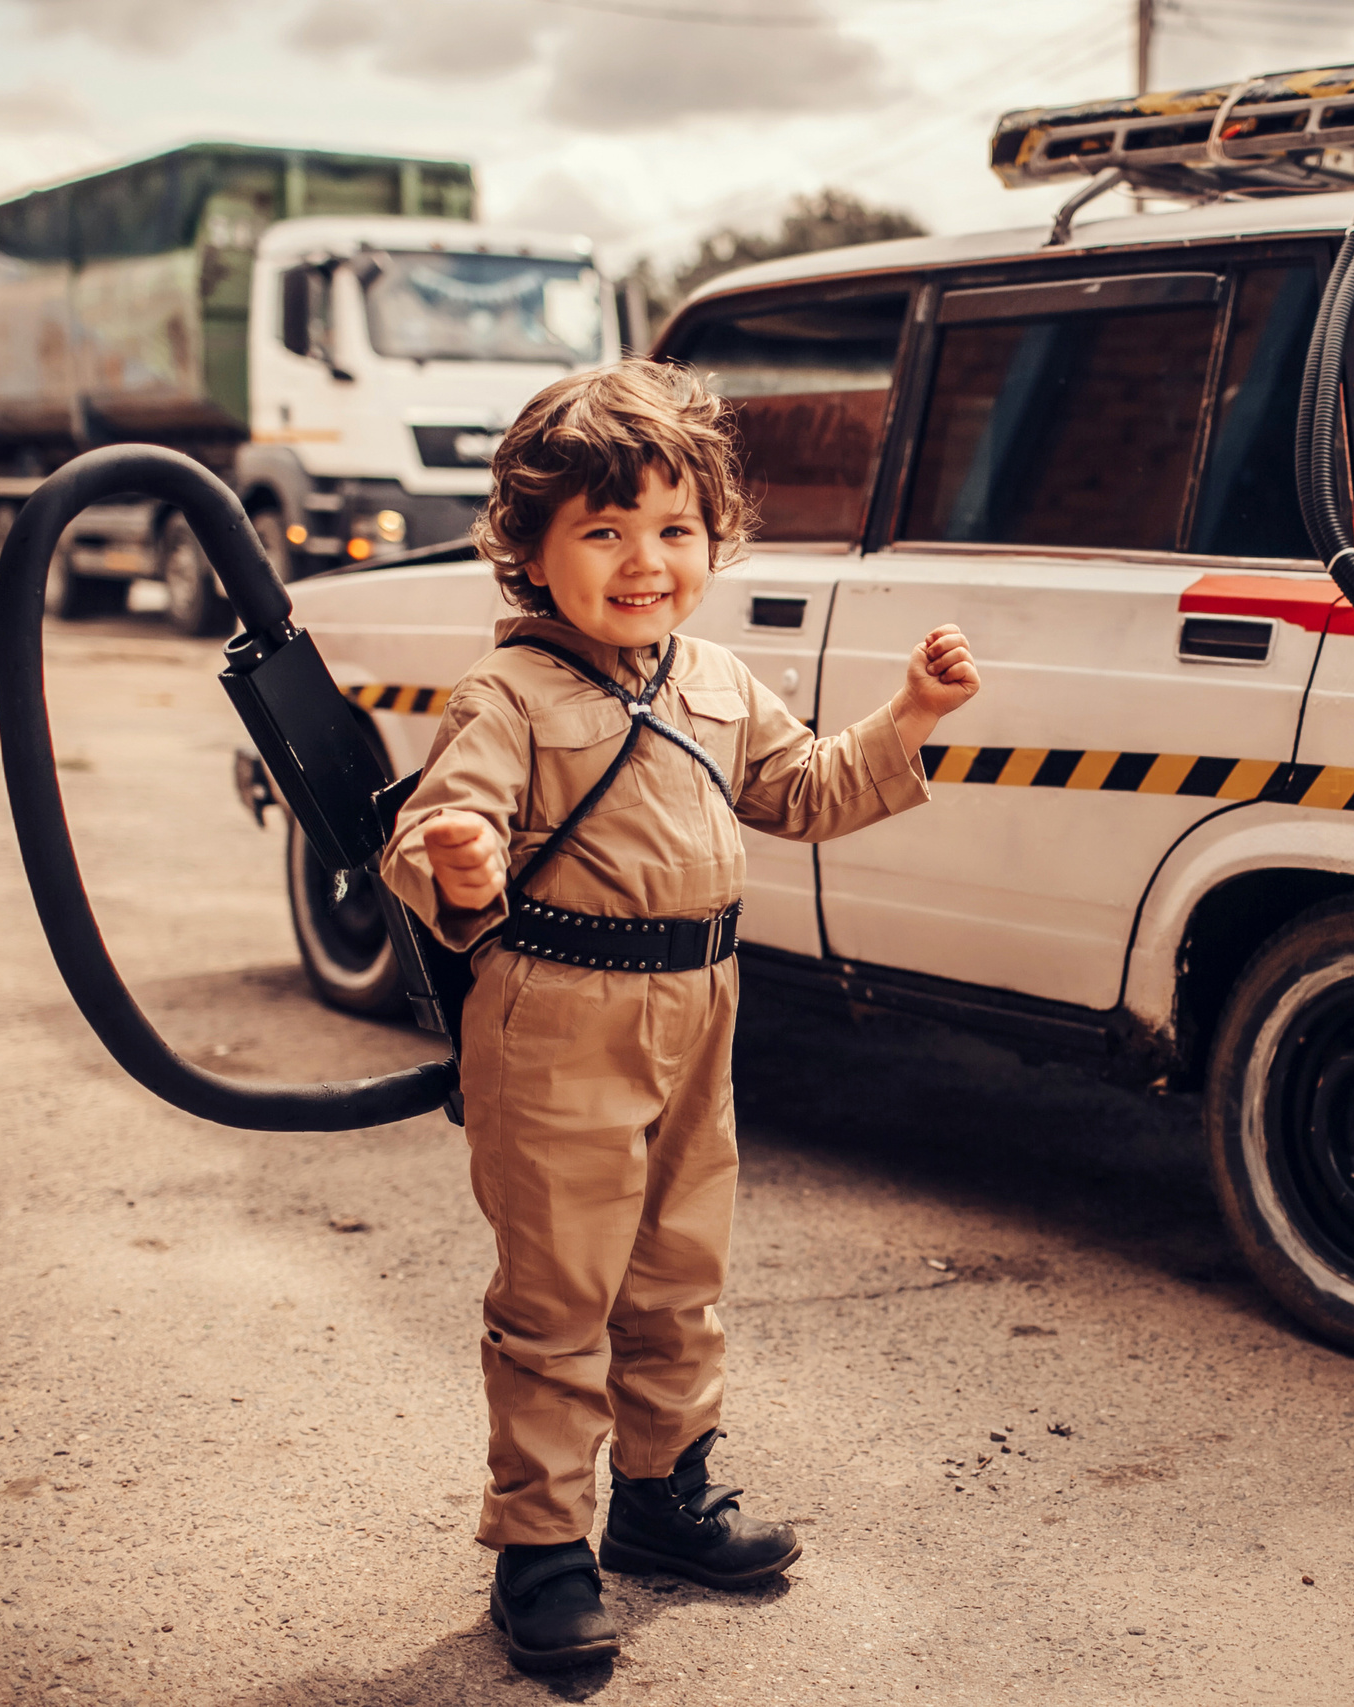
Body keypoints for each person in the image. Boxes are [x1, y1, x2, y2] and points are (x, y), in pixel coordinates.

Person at [378, 359, 979, 1674]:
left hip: (700, 1013)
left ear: (714, 538)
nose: (643, 560)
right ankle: (540, 1553)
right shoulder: (511, 698)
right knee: (558, 1294)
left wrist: (911, 715)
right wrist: (461, 856)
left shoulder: (713, 678)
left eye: (672, 529)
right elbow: (433, 825)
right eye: (602, 531)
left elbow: (808, 789)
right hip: (559, 1020)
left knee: (677, 1272)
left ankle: (661, 1499)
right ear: (529, 553)